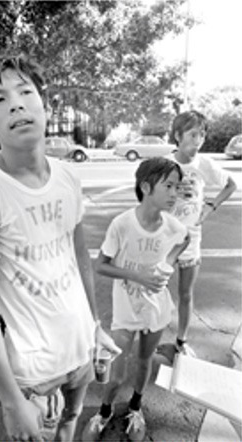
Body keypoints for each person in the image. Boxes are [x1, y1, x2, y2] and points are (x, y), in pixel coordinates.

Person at [0, 53, 121, 442]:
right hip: (33, 372)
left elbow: (79, 257)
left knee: (70, 424)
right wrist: (11, 400)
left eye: (25, 92)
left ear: (45, 105)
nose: (15, 103)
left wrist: (95, 328)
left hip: (81, 352)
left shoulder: (68, 177)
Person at [82, 157, 190, 442]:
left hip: (156, 308)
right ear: (145, 187)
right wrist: (140, 276)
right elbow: (101, 264)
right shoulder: (122, 224)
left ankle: (135, 407)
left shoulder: (174, 227)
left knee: (144, 361)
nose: (174, 193)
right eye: (168, 186)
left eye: (177, 187)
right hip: (126, 308)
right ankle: (104, 412)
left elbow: (184, 240)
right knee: (116, 373)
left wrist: (168, 262)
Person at [166, 110, 237, 356]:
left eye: (202, 135)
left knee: (185, 294)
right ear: (178, 135)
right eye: (193, 134)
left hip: (191, 240)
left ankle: (180, 342)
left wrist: (210, 207)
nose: (199, 140)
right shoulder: (165, 165)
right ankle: (148, 339)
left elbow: (231, 185)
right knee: (153, 292)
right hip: (162, 239)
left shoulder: (205, 164)